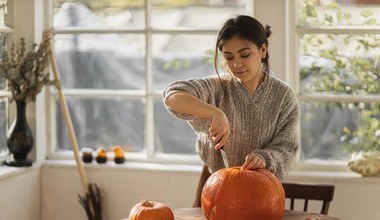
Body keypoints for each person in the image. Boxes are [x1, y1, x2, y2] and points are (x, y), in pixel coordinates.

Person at [162, 15, 300, 207]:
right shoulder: (217, 88)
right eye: (229, 57)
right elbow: (172, 96)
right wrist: (215, 113)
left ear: (262, 50)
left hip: (262, 191)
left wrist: (264, 158)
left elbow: (287, 147)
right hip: (215, 185)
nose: (237, 64)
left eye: (245, 55)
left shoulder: (283, 96)